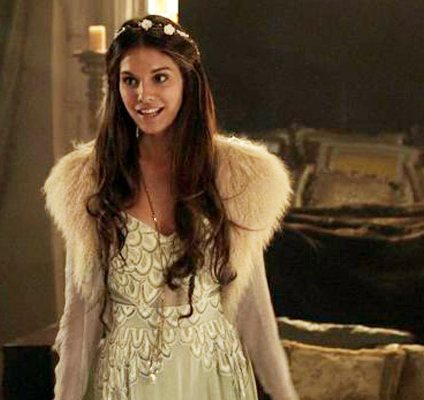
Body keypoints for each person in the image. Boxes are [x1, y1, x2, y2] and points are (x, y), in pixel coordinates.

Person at [44, 14, 299, 400]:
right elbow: (80, 322)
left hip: (212, 379)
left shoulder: (235, 177)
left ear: (187, 83)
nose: (143, 95)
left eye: (160, 78)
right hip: (127, 384)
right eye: (130, 81)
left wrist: (285, 395)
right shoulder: (90, 182)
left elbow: (255, 314)